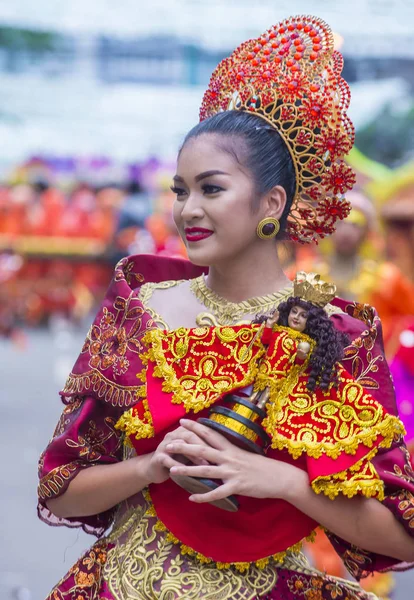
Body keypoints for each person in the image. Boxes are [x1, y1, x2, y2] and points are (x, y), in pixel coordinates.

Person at [38, 15, 414, 600]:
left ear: (272, 201)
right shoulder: (142, 309)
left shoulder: (334, 331)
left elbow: (401, 537)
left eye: (211, 189)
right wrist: (149, 467)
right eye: (180, 191)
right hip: (124, 583)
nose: (188, 209)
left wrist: (286, 481)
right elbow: (59, 487)